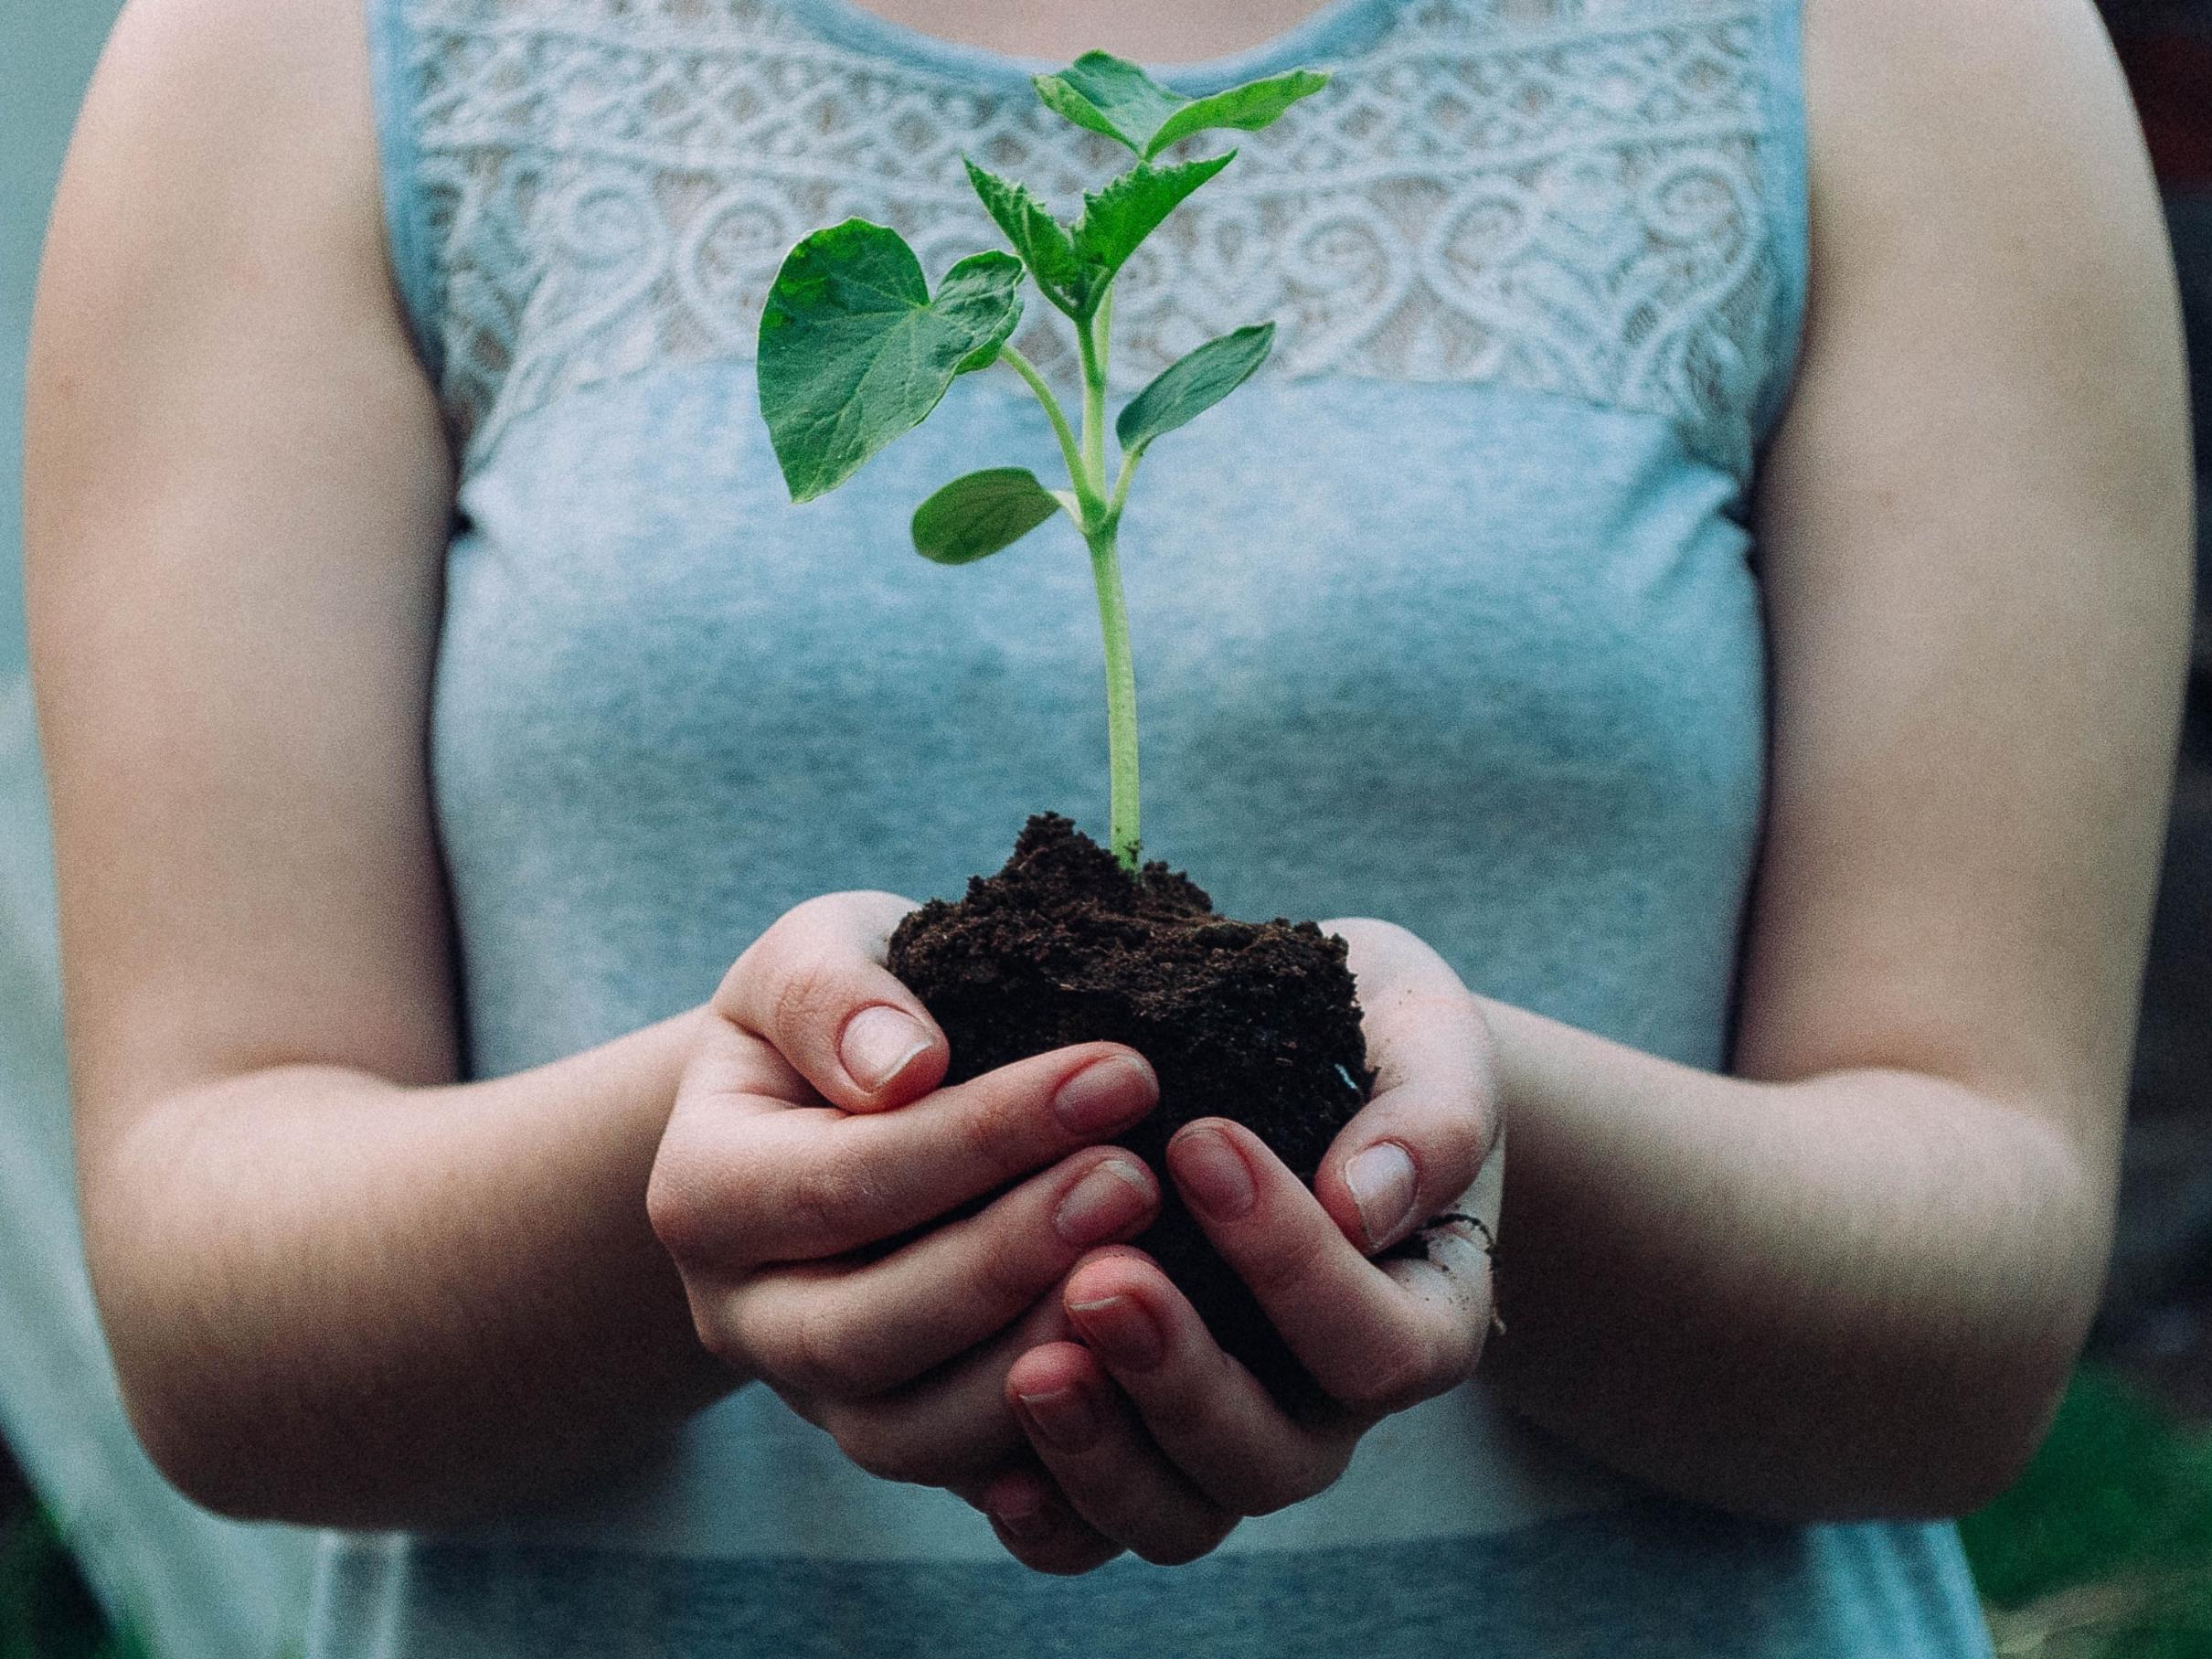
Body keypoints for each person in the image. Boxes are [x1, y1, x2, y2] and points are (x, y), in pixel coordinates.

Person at [20, 0, 2191, 1650]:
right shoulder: (304, 49)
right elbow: (213, 1311)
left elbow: (1972, 1295)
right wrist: (705, 1184)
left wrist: (1481, 1143)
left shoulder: (1914, 46)